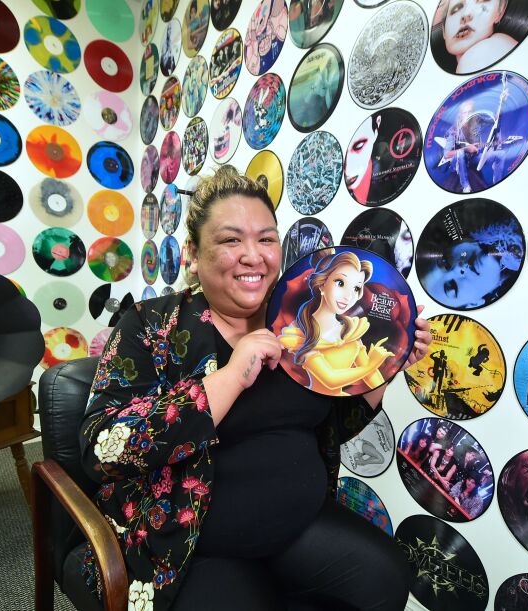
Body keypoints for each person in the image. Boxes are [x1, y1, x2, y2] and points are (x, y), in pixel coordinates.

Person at [79, 167, 431, 611]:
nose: (253, 255)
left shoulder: (298, 320)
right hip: (189, 540)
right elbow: (100, 450)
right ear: (193, 253)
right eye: (231, 241)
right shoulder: (149, 326)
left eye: (266, 239)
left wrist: (386, 367)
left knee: (385, 580)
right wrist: (229, 377)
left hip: (298, 522)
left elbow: (333, 427)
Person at [278, 249, 393, 395]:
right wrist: (372, 364)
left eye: (356, 288)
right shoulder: (302, 332)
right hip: (308, 404)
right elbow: (331, 380)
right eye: (340, 283)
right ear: (322, 284)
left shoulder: (350, 330)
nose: (348, 296)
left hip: (344, 407)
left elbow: (372, 378)